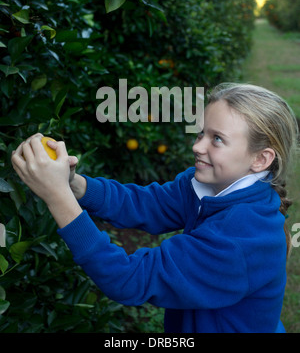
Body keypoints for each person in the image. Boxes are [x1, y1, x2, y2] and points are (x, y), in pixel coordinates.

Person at [11, 83, 299, 333]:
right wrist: (73, 184)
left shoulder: (240, 238)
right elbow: (144, 204)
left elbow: (129, 278)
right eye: (201, 133)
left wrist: (58, 197)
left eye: (217, 139)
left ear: (260, 159)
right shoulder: (208, 184)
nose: (198, 147)